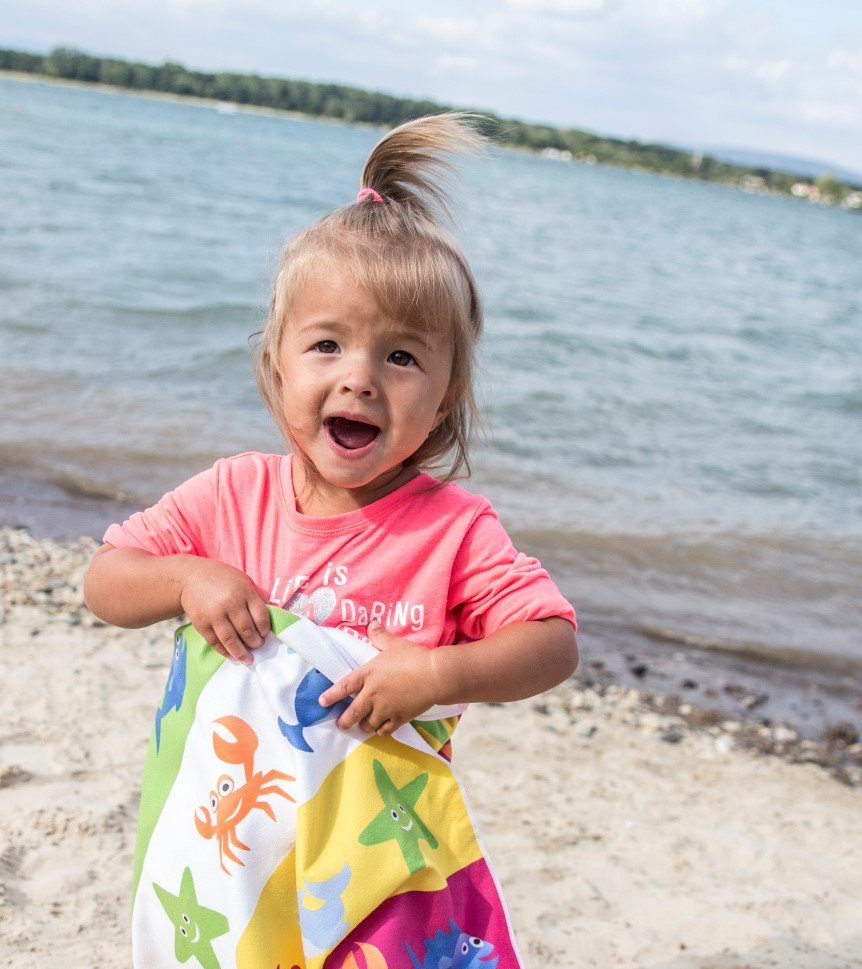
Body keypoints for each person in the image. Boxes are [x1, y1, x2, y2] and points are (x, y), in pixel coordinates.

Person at [83, 111, 580, 725]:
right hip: (226, 801)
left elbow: (552, 643)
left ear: (446, 395)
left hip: (375, 816)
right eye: (327, 346)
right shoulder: (235, 494)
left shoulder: (453, 532)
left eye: (401, 357)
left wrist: (437, 673)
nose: (359, 379)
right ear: (277, 362)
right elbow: (106, 581)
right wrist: (186, 578)